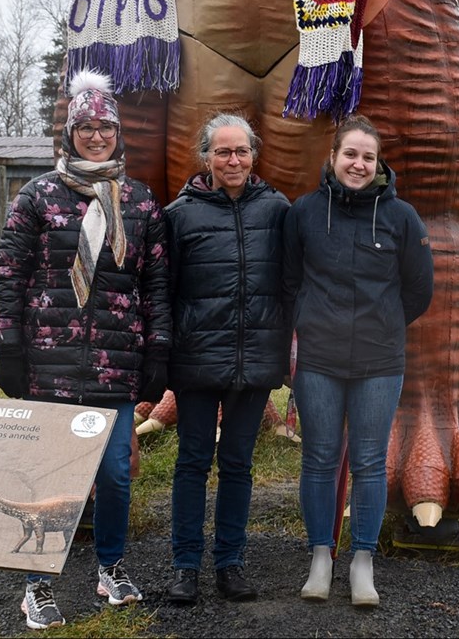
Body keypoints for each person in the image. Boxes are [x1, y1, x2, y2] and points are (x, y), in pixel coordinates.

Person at [0, 70, 171, 630]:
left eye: (106, 127)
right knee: (50, 478)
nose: (97, 136)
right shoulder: (39, 195)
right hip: (48, 363)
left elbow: (157, 285)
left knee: (115, 473)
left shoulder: (139, 203)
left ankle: (110, 566)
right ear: (70, 133)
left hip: (116, 364)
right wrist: (8, 346)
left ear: (119, 133)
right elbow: (10, 272)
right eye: (86, 127)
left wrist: (159, 351)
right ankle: (37, 585)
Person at [283, 114, 434, 607]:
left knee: (370, 463)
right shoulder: (304, 212)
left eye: (368, 157)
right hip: (319, 361)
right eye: (350, 154)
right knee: (320, 459)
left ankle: (363, 560)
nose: (359, 164)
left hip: (379, 362)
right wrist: (310, 319)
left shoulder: (401, 218)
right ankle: (321, 556)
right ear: (333, 158)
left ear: (378, 163)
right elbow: (288, 281)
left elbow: (418, 289)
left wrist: (384, 322)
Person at [162, 113, 292, 605]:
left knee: (237, 463)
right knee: (192, 461)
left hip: (255, 356)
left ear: (253, 155)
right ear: (206, 158)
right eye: (222, 152)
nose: (232, 160)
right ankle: (185, 566)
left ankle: (231, 563)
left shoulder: (278, 210)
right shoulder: (180, 215)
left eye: (240, 151)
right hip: (197, 359)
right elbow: (165, 291)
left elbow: (289, 284)